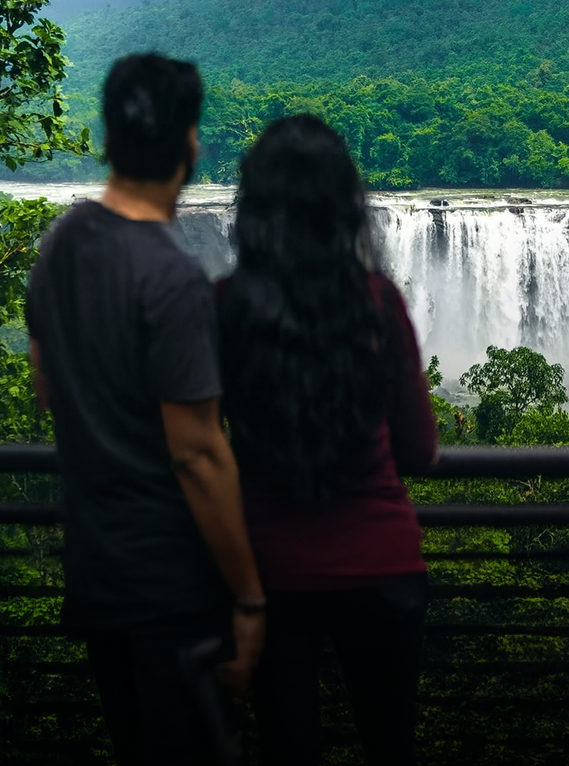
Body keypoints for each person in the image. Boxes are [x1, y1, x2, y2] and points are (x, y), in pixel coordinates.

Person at [25, 53, 266, 765]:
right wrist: (249, 596)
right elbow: (196, 451)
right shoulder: (172, 277)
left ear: (108, 133)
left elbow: (46, 390)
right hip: (174, 588)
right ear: (190, 143)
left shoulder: (59, 246)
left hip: (96, 572)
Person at [216, 114, 438, 766]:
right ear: (346, 204)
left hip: (269, 575)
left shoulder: (223, 306)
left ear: (253, 206)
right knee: (390, 743)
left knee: (288, 749)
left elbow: (200, 441)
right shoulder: (377, 301)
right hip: (384, 564)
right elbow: (420, 449)